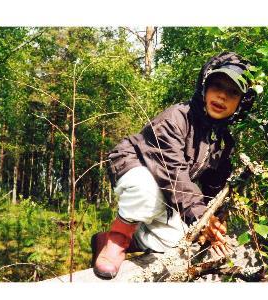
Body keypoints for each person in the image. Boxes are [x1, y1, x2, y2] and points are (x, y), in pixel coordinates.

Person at [91, 52, 258, 279]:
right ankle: (117, 239)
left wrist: (212, 227)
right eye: (216, 86)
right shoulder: (177, 118)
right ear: (204, 87)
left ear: (241, 102)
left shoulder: (223, 141)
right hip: (138, 170)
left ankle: (112, 239)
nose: (222, 96)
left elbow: (212, 191)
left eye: (233, 92)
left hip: (168, 191)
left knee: (180, 241)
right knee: (145, 190)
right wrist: (202, 217)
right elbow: (173, 175)